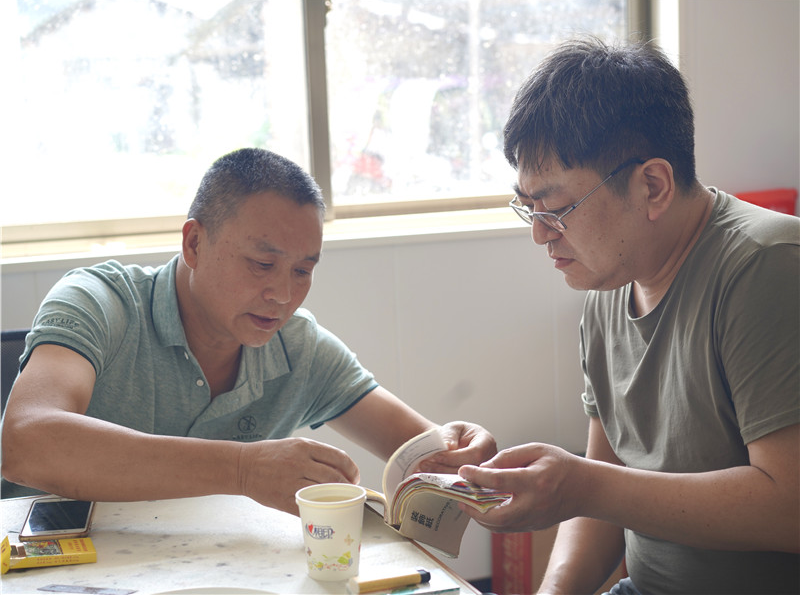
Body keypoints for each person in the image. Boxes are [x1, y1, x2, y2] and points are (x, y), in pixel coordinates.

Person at [457, 38, 800, 594]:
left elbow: (791, 505)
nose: (540, 234)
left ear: (653, 186)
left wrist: (582, 486)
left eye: (557, 208)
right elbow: (601, 501)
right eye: (529, 207)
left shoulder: (767, 267)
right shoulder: (607, 289)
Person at [1, 148, 497, 514]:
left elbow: (425, 454)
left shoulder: (298, 347)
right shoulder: (100, 302)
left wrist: (462, 452)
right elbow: (25, 442)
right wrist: (243, 470)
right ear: (194, 244)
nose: (282, 295)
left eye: (302, 271)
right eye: (262, 264)